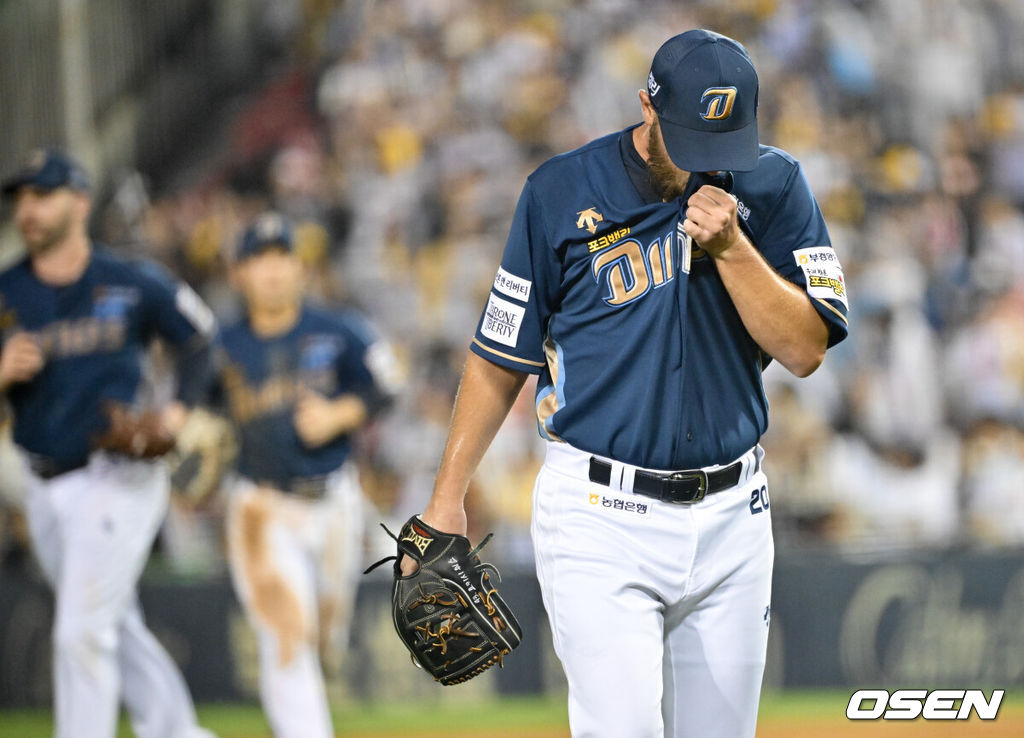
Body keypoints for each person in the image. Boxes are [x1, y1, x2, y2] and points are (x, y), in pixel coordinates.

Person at [405, 29, 850, 738]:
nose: (710, 162)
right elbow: (499, 354)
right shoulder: (560, 191)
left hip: (735, 516)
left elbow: (805, 350)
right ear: (648, 106)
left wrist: (734, 249)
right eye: (691, 140)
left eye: (724, 142)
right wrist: (445, 498)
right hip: (599, 514)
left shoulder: (775, 183)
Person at [0, 148, 216, 738]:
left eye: (42, 195)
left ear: (80, 202)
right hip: (44, 483)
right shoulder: (6, 291)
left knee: (81, 632)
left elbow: (199, 338)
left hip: (119, 473)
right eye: (21, 198)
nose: (29, 210)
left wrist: (175, 411)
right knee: (112, 626)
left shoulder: (130, 280)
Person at [214, 212, 397, 738]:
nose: (271, 271)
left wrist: (340, 414)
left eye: (281, 258)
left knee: (322, 640)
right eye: (258, 260)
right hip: (261, 506)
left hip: (335, 501)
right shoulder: (220, 346)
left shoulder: (337, 328)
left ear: (299, 268)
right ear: (239, 274)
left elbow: (389, 383)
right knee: (286, 638)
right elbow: (189, 413)